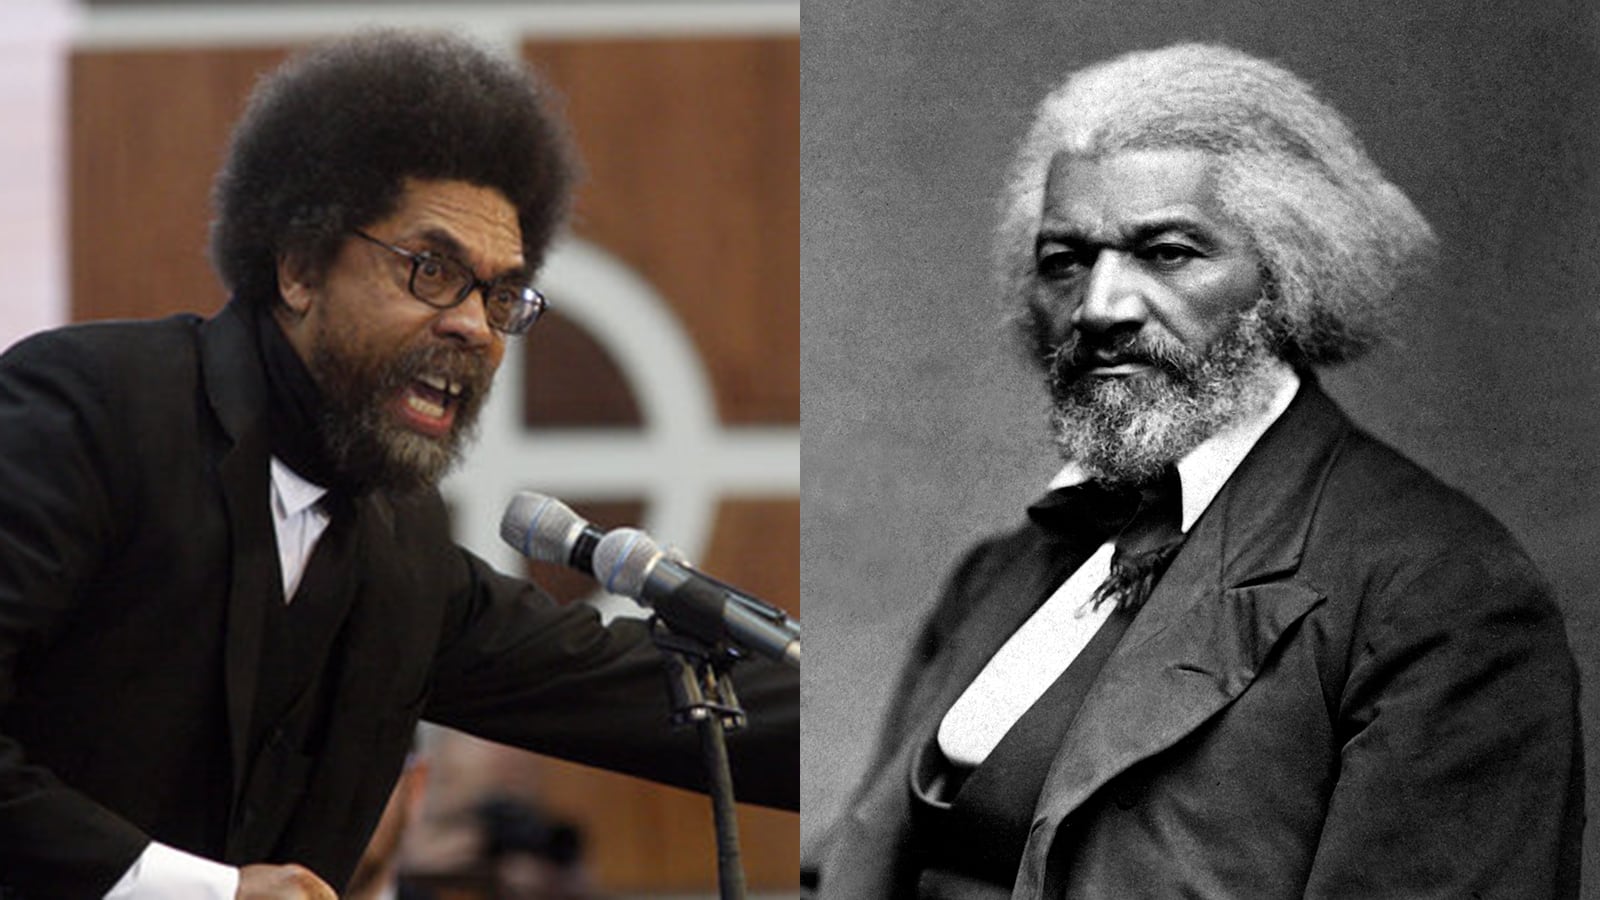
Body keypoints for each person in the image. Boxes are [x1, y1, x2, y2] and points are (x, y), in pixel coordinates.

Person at [0, 30, 797, 899]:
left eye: (500, 295)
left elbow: (630, 690)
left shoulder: (399, 547)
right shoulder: (91, 408)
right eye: (432, 269)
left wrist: (902, 715)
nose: (475, 327)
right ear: (300, 266)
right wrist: (200, 891)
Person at [806, 43, 1581, 898]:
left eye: (1168, 252)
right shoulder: (996, 576)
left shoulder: (1438, 595)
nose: (1101, 308)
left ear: (1287, 276)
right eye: (1065, 260)